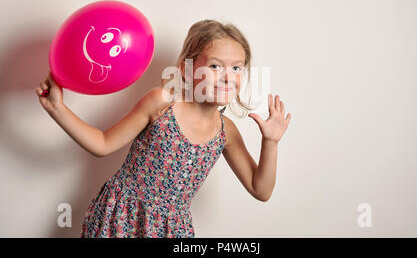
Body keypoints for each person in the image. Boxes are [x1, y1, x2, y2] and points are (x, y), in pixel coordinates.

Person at [35, 19, 291, 238]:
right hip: (120, 218)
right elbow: (102, 144)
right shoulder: (162, 103)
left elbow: (261, 190)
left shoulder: (226, 132)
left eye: (236, 67)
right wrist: (57, 108)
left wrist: (270, 143)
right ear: (186, 69)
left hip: (171, 230)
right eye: (215, 66)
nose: (227, 76)